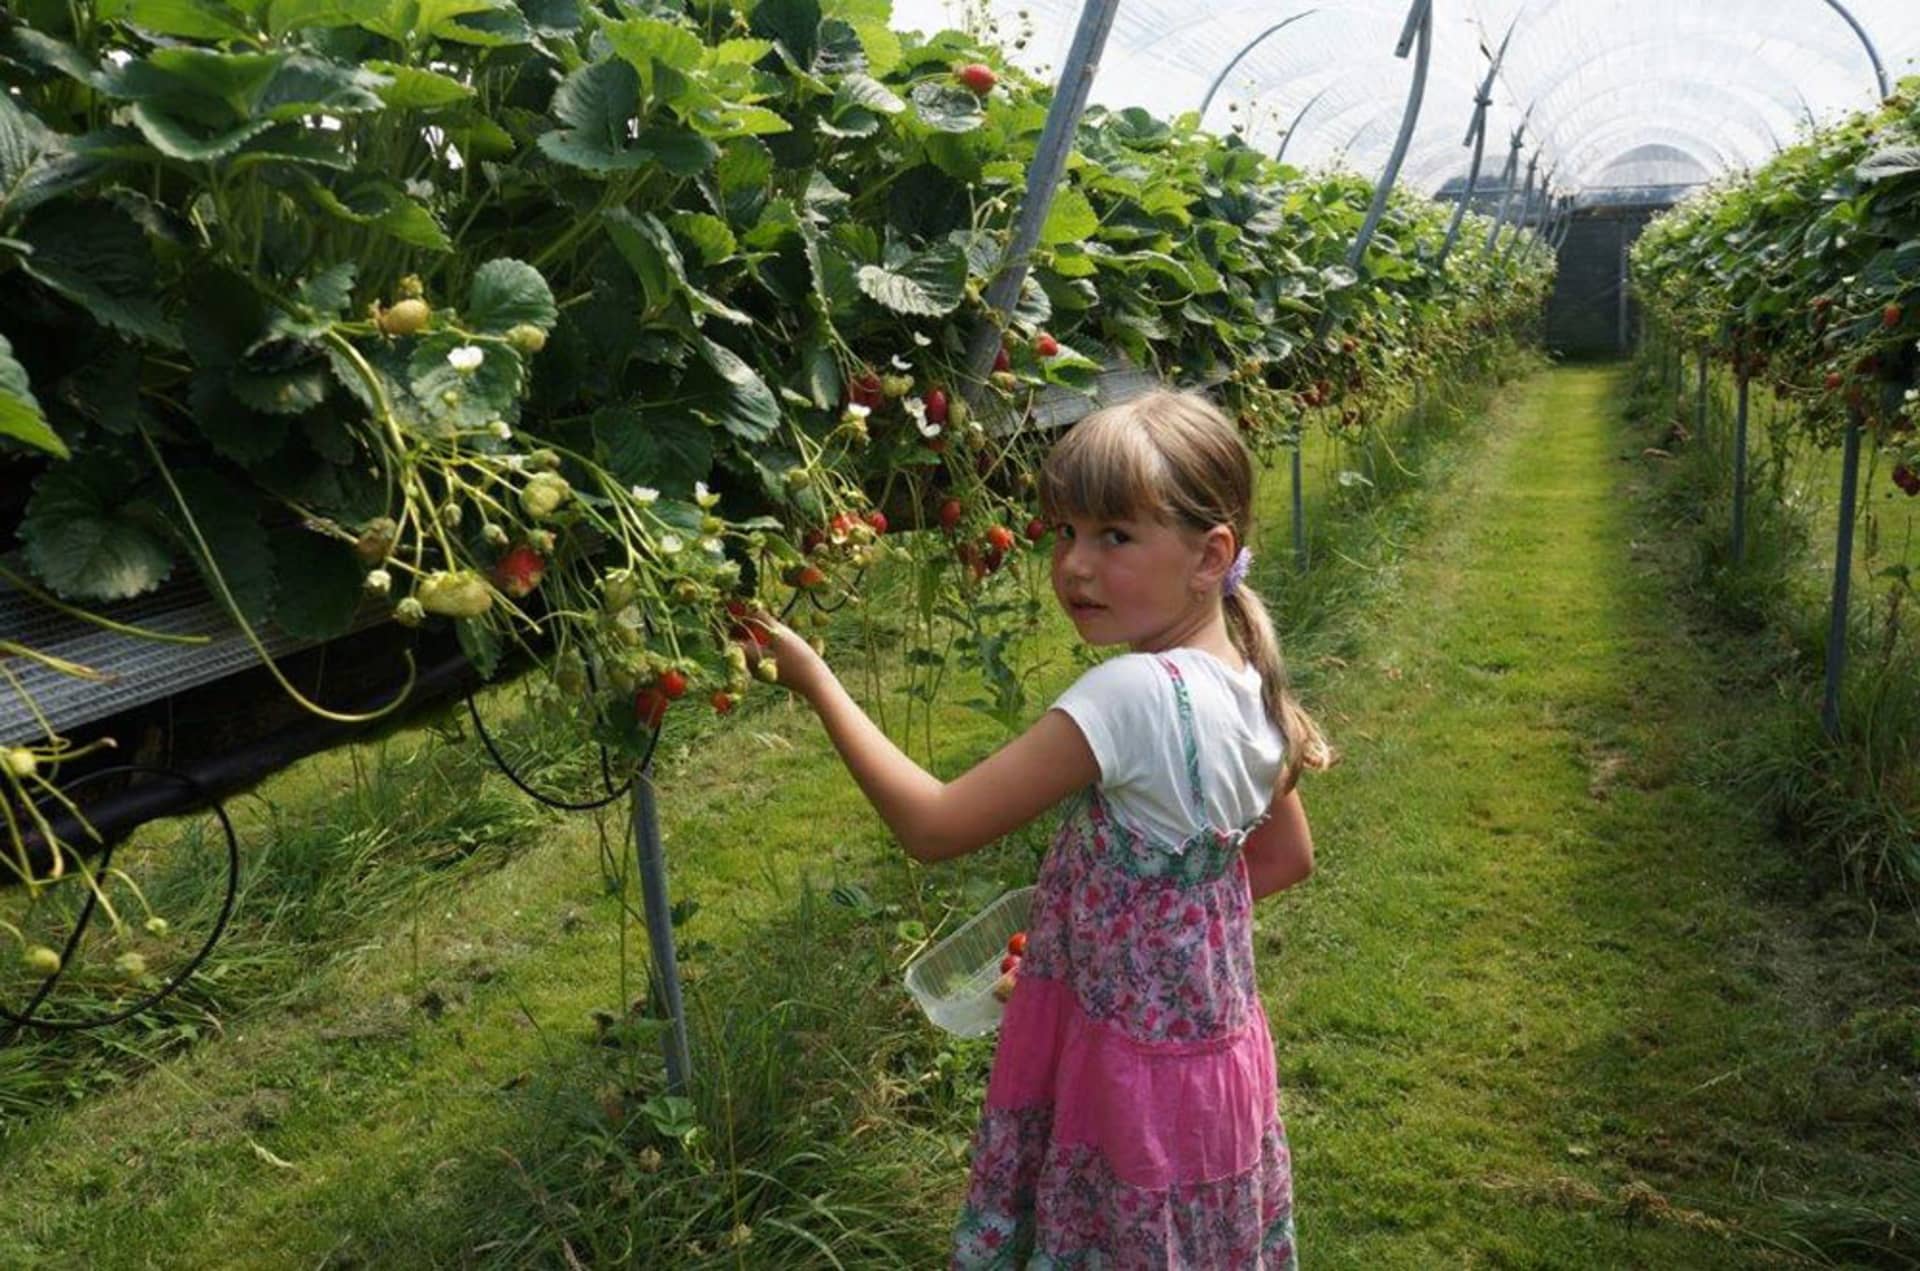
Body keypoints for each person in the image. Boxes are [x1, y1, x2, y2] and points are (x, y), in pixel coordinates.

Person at [745, 388, 1334, 1268]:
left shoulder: (1131, 695)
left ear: (1211, 555)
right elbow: (1284, 858)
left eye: (1114, 536)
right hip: (1213, 1067)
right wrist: (1112, 951)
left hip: (1125, 1088)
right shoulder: (1248, 678)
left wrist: (814, 677)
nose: (1074, 566)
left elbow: (934, 826)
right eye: (1064, 532)